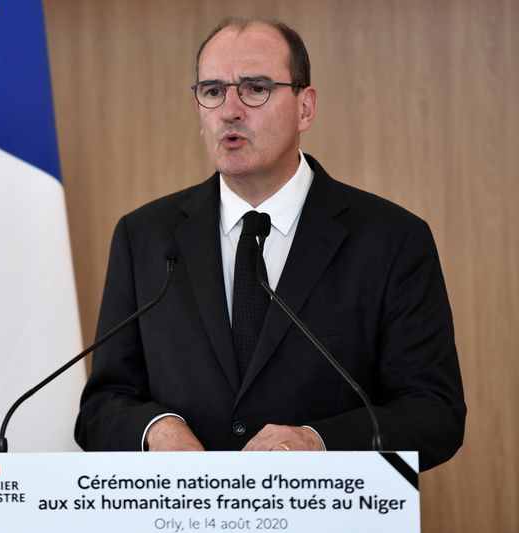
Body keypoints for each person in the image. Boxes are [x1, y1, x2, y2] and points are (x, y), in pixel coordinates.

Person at [74, 17, 465, 471]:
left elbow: (435, 415)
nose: (230, 110)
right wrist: (156, 428)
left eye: (255, 88)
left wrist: (319, 441)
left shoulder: (392, 239)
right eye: (213, 90)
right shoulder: (143, 237)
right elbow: (101, 406)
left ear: (305, 108)